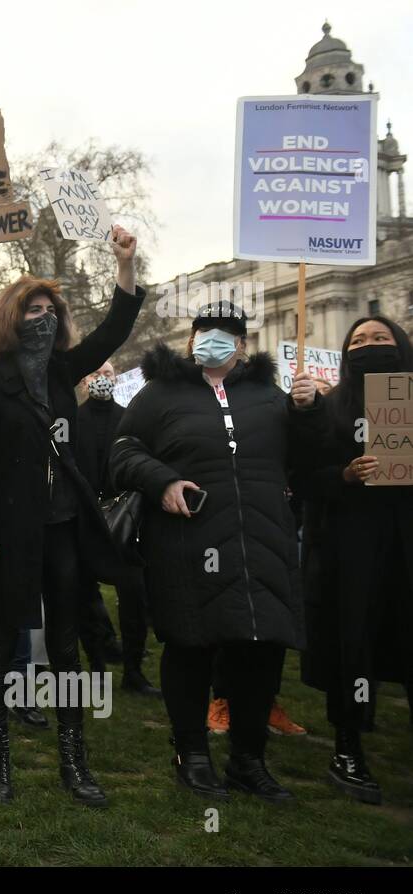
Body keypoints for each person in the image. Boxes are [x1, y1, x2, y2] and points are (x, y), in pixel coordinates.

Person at [0, 225, 143, 807]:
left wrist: (125, 265)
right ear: (13, 316)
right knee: (1, 641)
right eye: (32, 307)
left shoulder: (66, 370)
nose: (42, 315)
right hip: (11, 533)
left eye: (50, 308)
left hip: (64, 528)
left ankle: (74, 760)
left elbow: (116, 328)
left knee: (65, 647)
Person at [110, 301, 319, 803]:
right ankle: (193, 754)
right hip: (189, 542)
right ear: (190, 340)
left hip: (262, 545)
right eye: (205, 331)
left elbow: (306, 463)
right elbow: (121, 452)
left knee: (261, 651)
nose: (214, 340)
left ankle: (249, 760)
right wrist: (162, 481)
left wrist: (309, 414)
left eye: (227, 333)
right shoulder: (161, 393)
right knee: (190, 646)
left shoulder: (270, 398)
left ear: (243, 345)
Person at [293, 315, 413, 804]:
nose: (370, 346)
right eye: (359, 340)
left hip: (405, 545)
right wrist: (343, 474)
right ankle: (348, 746)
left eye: (380, 338)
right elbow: (303, 479)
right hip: (352, 550)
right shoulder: (331, 408)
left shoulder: (405, 398)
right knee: (354, 644)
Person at [75, 362, 159, 696]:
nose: (102, 380)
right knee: (83, 596)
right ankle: (96, 665)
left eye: (108, 375)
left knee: (134, 597)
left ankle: (133, 671)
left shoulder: (128, 419)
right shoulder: (73, 420)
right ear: (85, 380)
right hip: (84, 520)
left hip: (123, 521)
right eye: (95, 374)